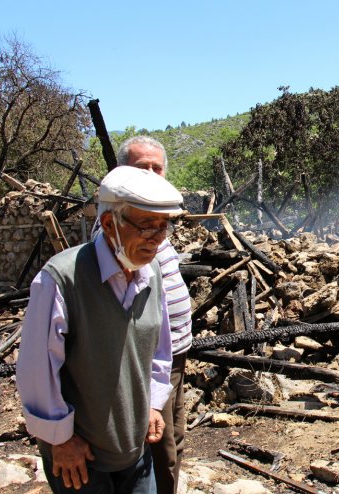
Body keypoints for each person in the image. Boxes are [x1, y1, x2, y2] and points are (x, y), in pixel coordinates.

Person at [16, 165, 184, 493]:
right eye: (147, 226)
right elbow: (37, 372)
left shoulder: (152, 274)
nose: (158, 238)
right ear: (110, 224)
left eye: (164, 227)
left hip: (134, 450)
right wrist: (59, 440)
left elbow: (159, 352)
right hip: (80, 457)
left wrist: (152, 403)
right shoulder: (62, 279)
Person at [116, 136, 192, 494]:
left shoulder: (157, 217)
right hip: (149, 358)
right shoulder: (121, 227)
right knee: (157, 444)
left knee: (173, 435)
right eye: (140, 167)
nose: (150, 173)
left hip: (175, 353)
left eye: (156, 167)